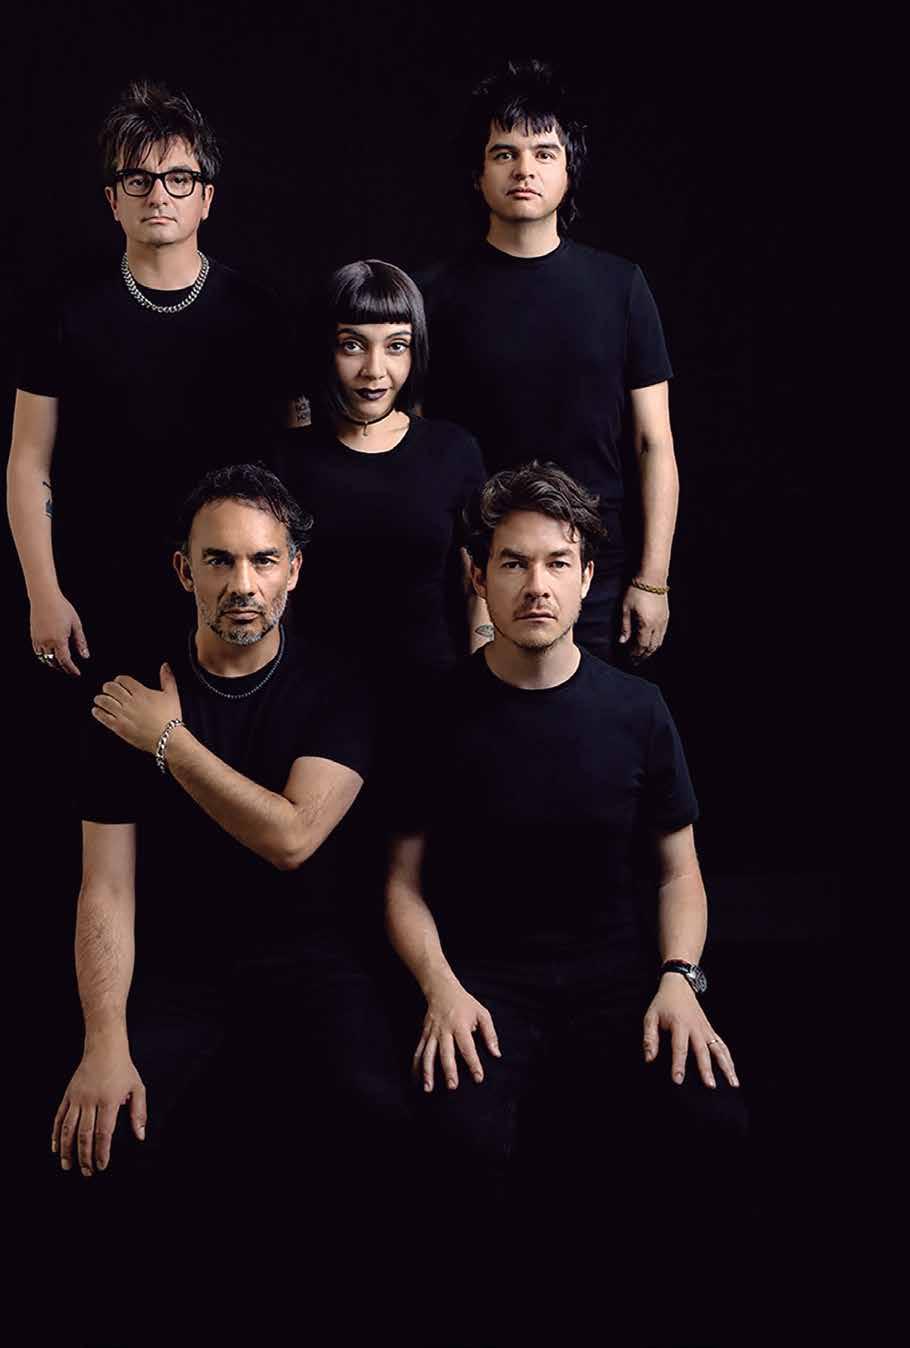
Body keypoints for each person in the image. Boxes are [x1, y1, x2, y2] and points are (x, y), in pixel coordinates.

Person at [386, 463, 747, 1344]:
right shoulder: (434, 713)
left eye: (556, 563)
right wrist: (439, 988)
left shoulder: (637, 709)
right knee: (456, 1151)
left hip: (618, 978)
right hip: (484, 985)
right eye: (512, 563)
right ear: (479, 577)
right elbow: (400, 883)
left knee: (712, 1125)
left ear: (588, 578)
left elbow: (679, 873)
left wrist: (679, 979)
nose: (536, 585)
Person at [50, 463, 411, 1339]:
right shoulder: (127, 697)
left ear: (294, 570)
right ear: (184, 570)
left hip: (316, 957)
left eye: (262, 560)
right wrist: (104, 1040)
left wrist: (169, 741)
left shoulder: (338, 686)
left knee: (383, 1119)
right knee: (101, 1139)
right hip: (182, 967)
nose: (241, 584)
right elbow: (106, 886)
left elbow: (291, 838)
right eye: (218, 560)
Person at [7, 80, 295, 681]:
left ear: (206, 198)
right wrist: (43, 592)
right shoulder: (65, 312)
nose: (158, 194)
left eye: (178, 178)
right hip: (94, 589)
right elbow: (28, 460)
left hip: (226, 589)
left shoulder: (258, 313)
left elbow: (291, 458)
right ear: (113, 200)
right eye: (138, 179)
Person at [418, 59, 678, 665]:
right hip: (472, 568)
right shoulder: (432, 295)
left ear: (568, 171)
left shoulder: (621, 287)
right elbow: (415, 441)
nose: (524, 169)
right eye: (504, 154)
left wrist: (653, 580)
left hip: (592, 570)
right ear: (478, 173)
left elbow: (654, 444)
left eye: (543, 153)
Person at [278, 260, 490, 921]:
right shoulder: (287, 458)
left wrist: (481, 678)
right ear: (327, 347)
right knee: (324, 893)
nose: (375, 370)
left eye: (395, 346)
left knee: (424, 882)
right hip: (316, 707)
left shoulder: (452, 451)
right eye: (353, 345)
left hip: (428, 697)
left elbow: (477, 579)